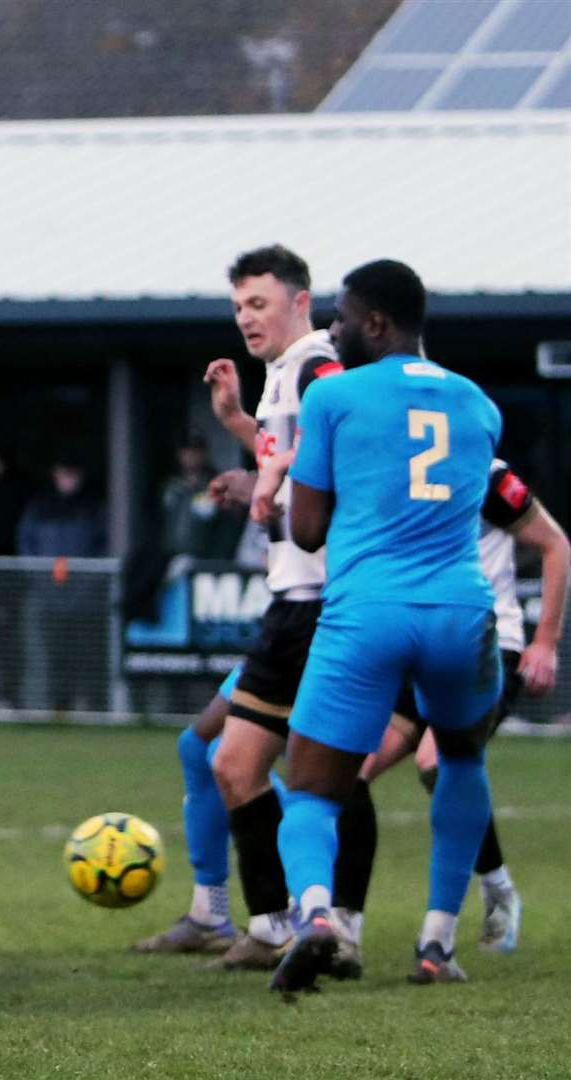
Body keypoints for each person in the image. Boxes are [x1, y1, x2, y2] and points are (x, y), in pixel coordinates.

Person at [260, 259, 504, 992]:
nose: (331, 333)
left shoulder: (335, 397)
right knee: (459, 761)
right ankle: (437, 942)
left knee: (308, 786)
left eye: (340, 317)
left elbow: (305, 532)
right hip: (462, 611)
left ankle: (314, 915)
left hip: (368, 609)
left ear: (376, 322)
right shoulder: (479, 404)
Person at [188, 244, 361, 973]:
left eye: (258, 304)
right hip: (296, 602)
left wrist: (274, 483)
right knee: (235, 762)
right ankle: (273, 924)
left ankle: (323, 925)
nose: (246, 319)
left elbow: (340, 433)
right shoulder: (283, 377)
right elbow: (285, 448)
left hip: (321, 600)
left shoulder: (318, 364)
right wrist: (238, 429)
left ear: (301, 301)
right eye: (237, 307)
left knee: (320, 771)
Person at [335, 462, 566, 958]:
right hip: (415, 643)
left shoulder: (484, 470)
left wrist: (545, 641)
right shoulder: (388, 466)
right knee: (345, 773)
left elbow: (555, 543)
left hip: (485, 641)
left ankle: (479, 904)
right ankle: (342, 929)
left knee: (436, 762)